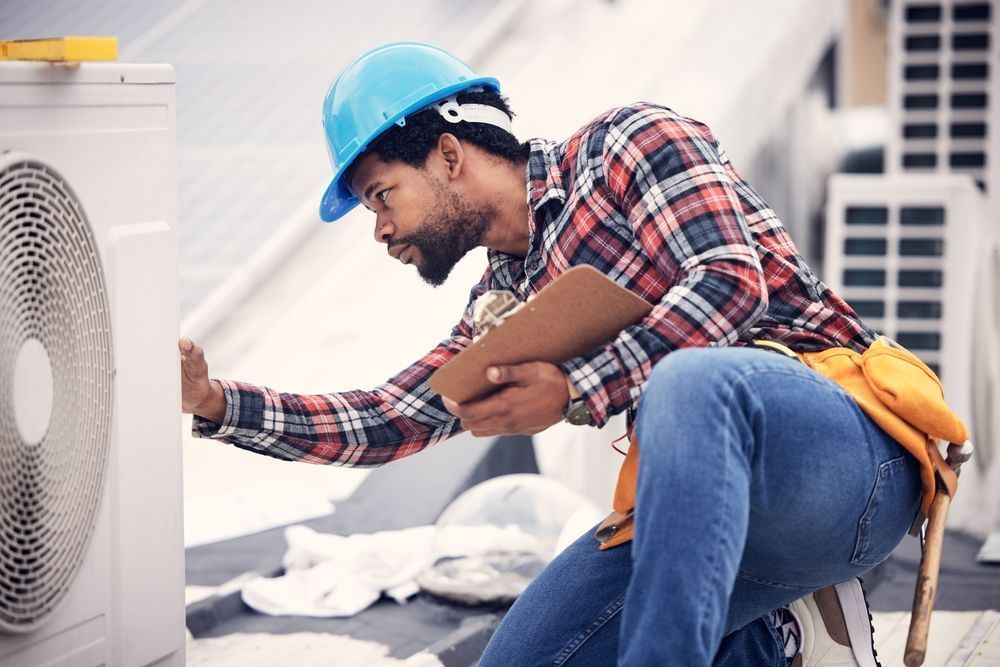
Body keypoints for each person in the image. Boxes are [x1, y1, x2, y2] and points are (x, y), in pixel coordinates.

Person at [180, 42, 923, 665]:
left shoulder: (630, 144)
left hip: (849, 460)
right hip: (711, 524)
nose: (379, 230)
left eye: (381, 196)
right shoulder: (503, 303)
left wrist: (573, 386)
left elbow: (732, 281)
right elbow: (389, 418)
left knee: (692, 383)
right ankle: (769, 637)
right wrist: (218, 402)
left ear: (447, 155)